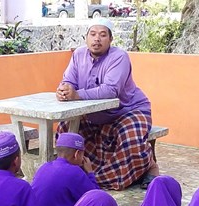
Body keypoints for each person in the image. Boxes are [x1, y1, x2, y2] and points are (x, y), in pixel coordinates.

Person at [56, 17, 159, 190]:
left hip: (127, 110)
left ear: (110, 39)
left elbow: (111, 91)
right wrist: (64, 90)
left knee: (130, 138)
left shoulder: (119, 57)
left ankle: (147, 166)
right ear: (86, 37)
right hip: (94, 113)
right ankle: (73, 172)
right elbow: (69, 81)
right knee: (66, 129)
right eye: (93, 34)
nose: (97, 39)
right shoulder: (78, 55)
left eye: (103, 35)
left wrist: (77, 94)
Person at [32, 132, 100, 206]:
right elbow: (97, 199)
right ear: (77, 154)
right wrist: (90, 173)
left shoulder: (44, 167)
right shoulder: (74, 172)